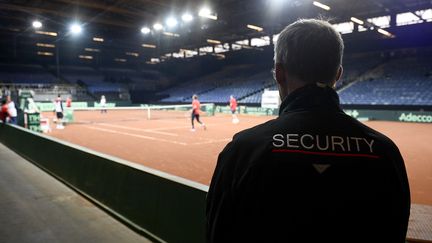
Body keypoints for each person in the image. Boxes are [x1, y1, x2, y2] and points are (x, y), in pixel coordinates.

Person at [206, 19, 410, 243]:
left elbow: (218, 233)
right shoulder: (385, 152)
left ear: (279, 73)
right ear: (338, 74)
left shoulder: (243, 150)